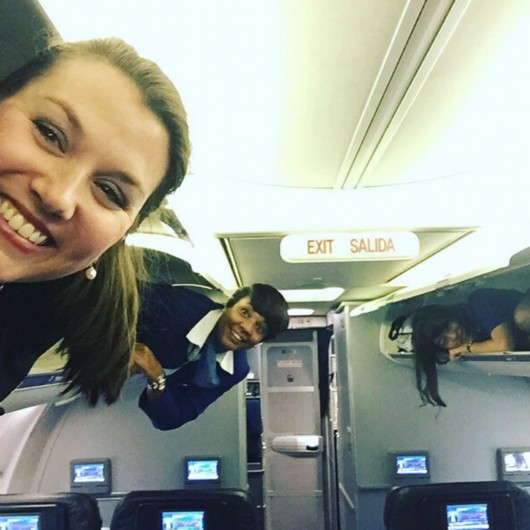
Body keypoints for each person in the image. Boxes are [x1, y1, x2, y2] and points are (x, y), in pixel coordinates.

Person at [0, 37, 191, 406]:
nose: (59, 196)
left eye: (109, 192)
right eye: (49, 133)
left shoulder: (36, 312)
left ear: (123, 234)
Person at [131, 283, 289, 431]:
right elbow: (121, 294)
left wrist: (157, 379)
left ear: (260, 341)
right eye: (244, 312)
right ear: (229, 305)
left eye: (260, 329)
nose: (247, 328)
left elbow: (174, 417)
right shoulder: (177, 303)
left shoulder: (235, 369)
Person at [411, 288, 526, 407]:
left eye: (448, 326)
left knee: (521, 316)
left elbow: (504, 346)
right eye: (444, 341)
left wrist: (465, 348)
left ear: (452, 314)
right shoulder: (473, 334)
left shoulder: (480, 301)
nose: (453, 335)